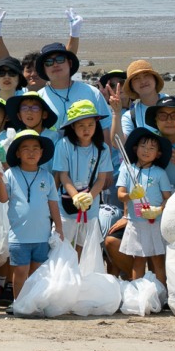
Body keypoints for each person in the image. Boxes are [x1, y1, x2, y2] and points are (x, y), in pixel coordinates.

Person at [0, 130, 63, 311]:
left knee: (37, 273)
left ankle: (33, 303)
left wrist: (59, 226)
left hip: (41, 235)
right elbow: (3, 199)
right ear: (17, 153)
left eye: (35, 148)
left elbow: (53, 204)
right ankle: (19, 303)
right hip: (19, 236)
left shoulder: (46, 176)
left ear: (42, 153)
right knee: (20, 272)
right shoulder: (11, 174)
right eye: (25, 148)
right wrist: (0, 182)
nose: (31, 152)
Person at [116, 127, 173, 284]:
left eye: (152, 148)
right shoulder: (127, 170)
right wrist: (130, 195)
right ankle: (138, 294)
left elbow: (167, 198)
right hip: (136, 223)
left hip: (155, 222)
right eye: (143, 146)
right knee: (138, 259)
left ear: (158, 154)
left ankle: (162, 296)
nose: (146, 151)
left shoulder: (160, 173)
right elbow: (120, 195)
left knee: (158, 260)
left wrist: (158, 210)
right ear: (135, 148)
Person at [55, 101, 111, 250]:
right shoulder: (63, 145)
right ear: (72, 126)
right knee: (62, 245)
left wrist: (90, 197)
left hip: (90, 207)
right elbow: (63, 175)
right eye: (81, 125)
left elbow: (101, 179)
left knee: (84, 247)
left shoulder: (102, 148)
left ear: (96, 124)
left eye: (90, 125)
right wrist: (75, 196)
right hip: (67, 205)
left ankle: (80, 273)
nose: (86, 129)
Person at [34, 42, 110, 136]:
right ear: (44, 68)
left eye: (60, 59)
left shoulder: (92, 93)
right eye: (49, 62)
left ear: (69, 63)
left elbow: (105, 129)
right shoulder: (38, 98)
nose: (55, 64)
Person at [0, 7, 83, 70]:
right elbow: (6, 62)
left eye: (37, 71)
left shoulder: (52, 88)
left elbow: (67, 59)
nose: (33, 74)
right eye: (29, 70)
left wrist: (75, 33)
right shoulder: (19, 91)